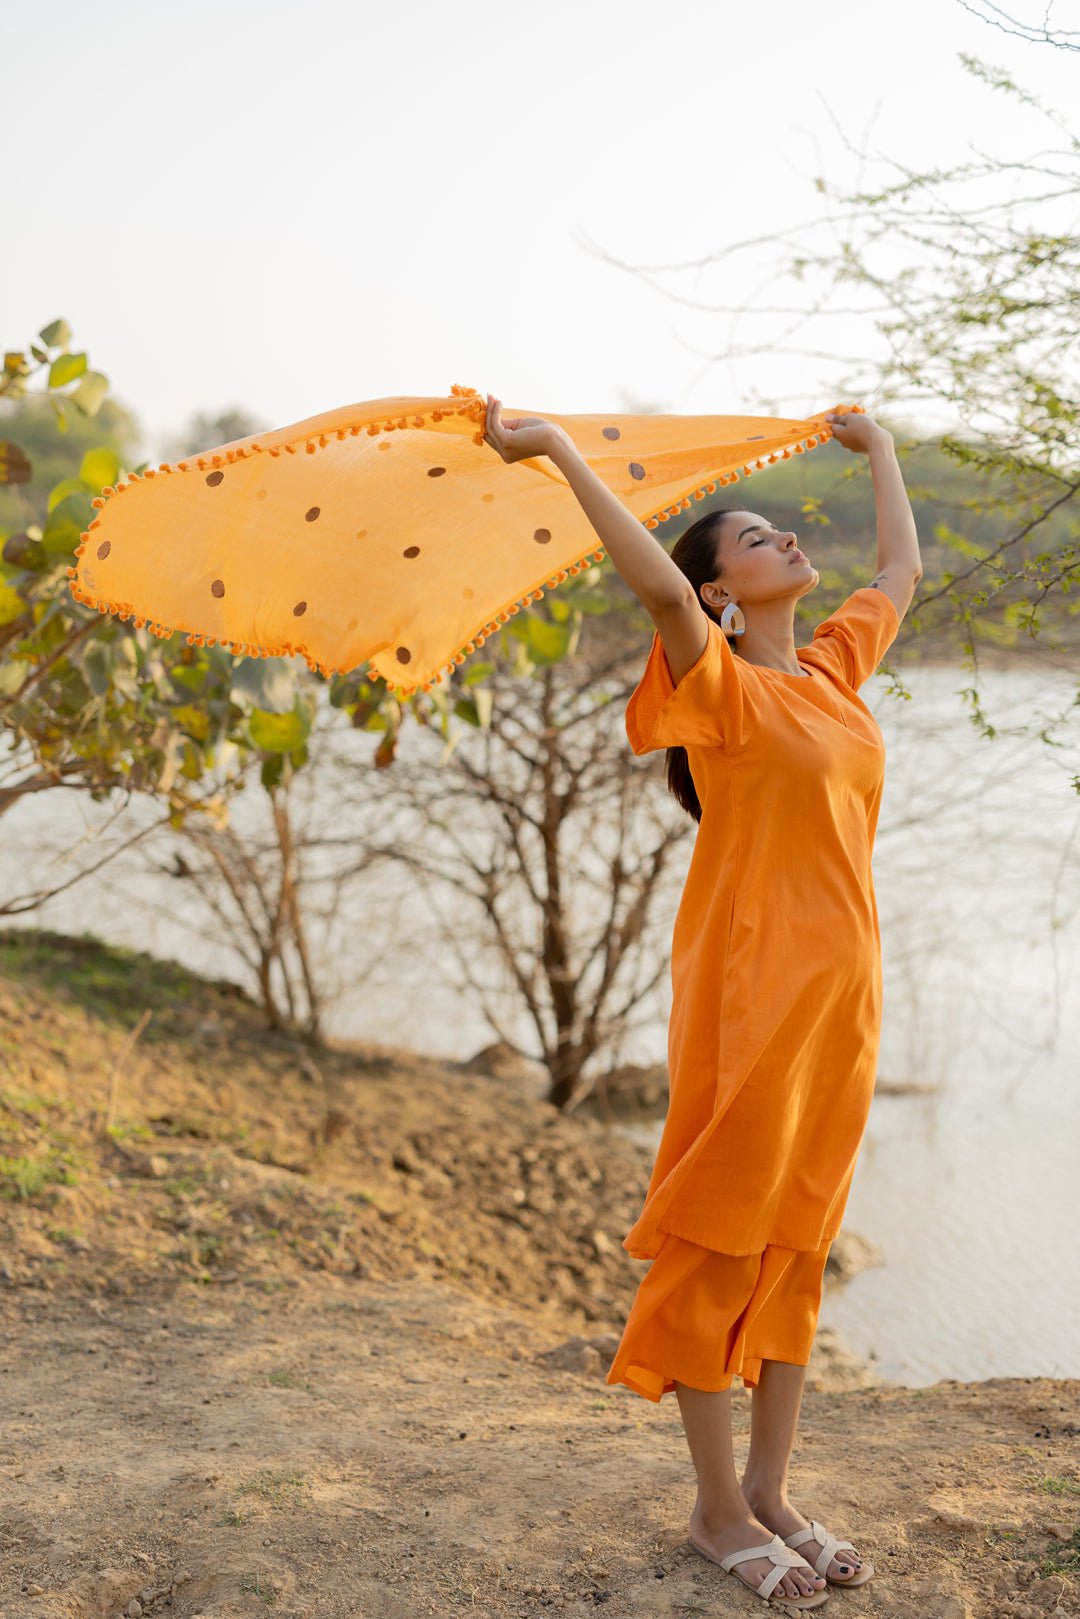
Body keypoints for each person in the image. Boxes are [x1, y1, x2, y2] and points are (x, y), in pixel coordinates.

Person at [483, 392, 922, 1609]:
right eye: (753, 537)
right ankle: (717, 1508)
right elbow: (661, 596)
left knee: (797, 1239)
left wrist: (880, 445)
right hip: (749, 999)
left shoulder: (833, 671)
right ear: (724, 592)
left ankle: (775, 1487)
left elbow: (900, 565)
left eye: (783, 529)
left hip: (843, 1003)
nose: (784, 539)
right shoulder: (721, 686)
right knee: (721, 1236)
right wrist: (563, 453)